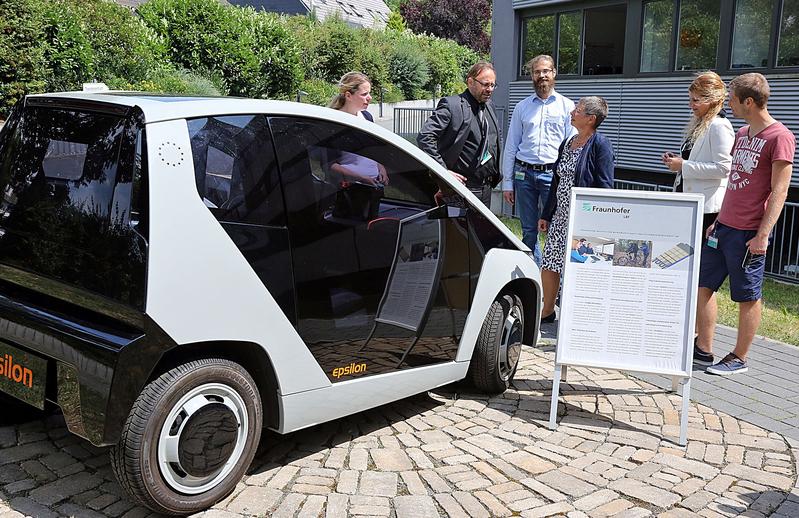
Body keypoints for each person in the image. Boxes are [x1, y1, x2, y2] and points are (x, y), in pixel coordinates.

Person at [695, 73, 795, 374]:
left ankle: (739, 357)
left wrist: (762, 235)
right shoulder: (742, 134)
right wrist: (719, 221)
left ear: (749, 101)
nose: (730, 104)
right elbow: (734, 181)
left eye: (734, 99)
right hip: (724, 227)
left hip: (749, 232)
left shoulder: (780, 137)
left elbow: (780, 190)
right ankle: (704, 349)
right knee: (702, 285)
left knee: (747, 296)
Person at [537, 96, 614, 322]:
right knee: (550, 263)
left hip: (585, 220)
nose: (572, 113)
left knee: (580, 268)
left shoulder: (601, 145)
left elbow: (606, 184)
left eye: (577, 110)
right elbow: (556, 181)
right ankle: (548, 309)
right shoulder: (568, 142)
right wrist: (546, 214)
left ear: (590, 118)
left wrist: (598, 218)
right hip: (561, 217)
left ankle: (580, 317)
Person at [503, 55, 576, 265]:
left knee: (556, 228)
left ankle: (555, 275)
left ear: (554, 73)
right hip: (523, 175)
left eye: (546, 71)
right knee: (528, 230)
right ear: (532, 76)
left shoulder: (567, 107)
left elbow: (571, 149)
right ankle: (535, 273)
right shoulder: (522, 107)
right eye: (537, 72)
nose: (541, 76)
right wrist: (507, 182)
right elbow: (511, 146)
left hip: (553, 176)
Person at [417, 61, 501, 207]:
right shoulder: (452, 106)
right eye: (485, 84)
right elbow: (425, 137)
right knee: (459, 230)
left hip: (486, 188)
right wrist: (443, 171)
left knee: (480, 230)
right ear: (470, 82)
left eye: (492, 85)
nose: (489, 89)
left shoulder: (490, 106)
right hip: (460, 188)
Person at [662, 71, 735, 235]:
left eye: (696, 100)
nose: (691, 105)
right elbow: (696, 159)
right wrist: (678, 161)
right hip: (691, 203)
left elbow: (724, 168)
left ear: (712, 100)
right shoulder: (703, 123)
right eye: (690, 99)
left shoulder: (719, 125)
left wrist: (683, 165)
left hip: (707, 209)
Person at [328, 72, 389, 187]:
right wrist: (361, 178)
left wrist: (382, 169)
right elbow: (329, 165)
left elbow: (374, 152)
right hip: (349, 190)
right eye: (364, 94)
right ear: (348, 96)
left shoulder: (367, 117)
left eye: (369, 93)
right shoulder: (333, 123)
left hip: (374, 186)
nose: (369, 98)